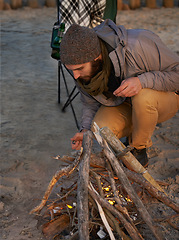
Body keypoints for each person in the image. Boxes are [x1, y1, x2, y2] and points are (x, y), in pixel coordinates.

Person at [60, 19, 179, 167]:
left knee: (143, 97)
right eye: (71, 70)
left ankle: (139, 149)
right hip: (125, 104)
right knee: (100, 127)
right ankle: (130, 134)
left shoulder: (138, 44)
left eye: (79, 69)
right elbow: (89, 103)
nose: (75, 76)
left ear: (96, 57)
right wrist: (85, 130)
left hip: (164, 100)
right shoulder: (79, 69)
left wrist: (142, 81)